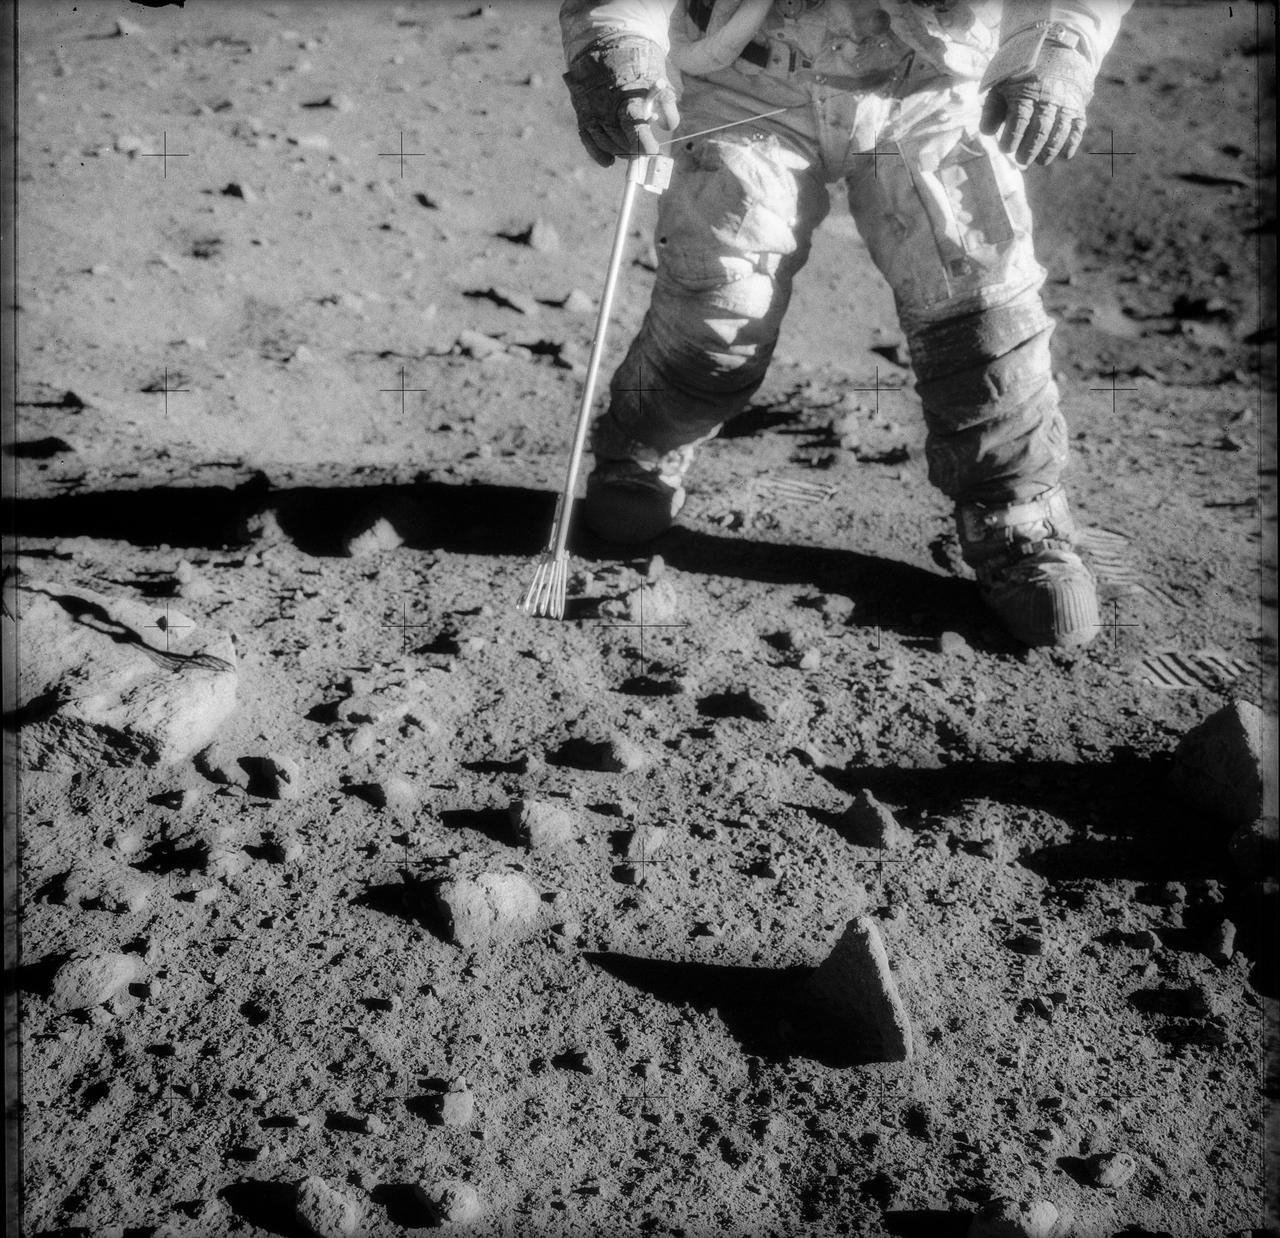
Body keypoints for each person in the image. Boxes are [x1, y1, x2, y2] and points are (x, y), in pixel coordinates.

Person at [558, 0, 1132, 648]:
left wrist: (1056, 44)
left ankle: (1015, 511)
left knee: (980, 308)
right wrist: (615, 41)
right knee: (720, 308)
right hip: (752, 80)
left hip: (934, 84)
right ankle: (645, 447)